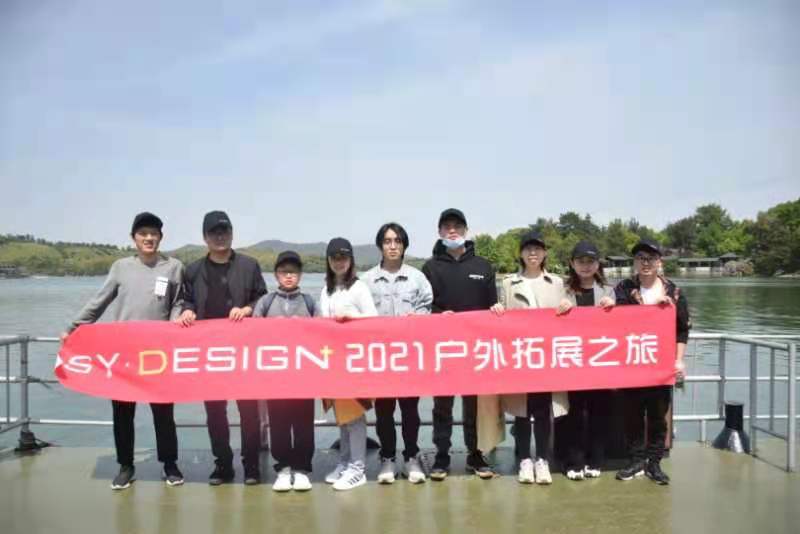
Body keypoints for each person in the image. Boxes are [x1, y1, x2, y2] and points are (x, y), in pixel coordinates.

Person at [61, 212, 185, 490]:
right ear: (133, 238)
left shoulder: (174, 267)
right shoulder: (120, 267)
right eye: (143, 234)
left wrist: (176, 322)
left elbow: (178, 302)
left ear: (161, 237)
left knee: (164, 413)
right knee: (122, 414)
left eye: (154, 234)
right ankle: (126, 466)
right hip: (124, 354)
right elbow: (99, 301)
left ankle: (170, 464)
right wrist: (73, 327)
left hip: (158, 355)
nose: (149, 238)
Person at [175, 211, 267, 485]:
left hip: (244, 352)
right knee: (215, 413)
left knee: (249, 411)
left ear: (232, 233)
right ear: (205, 237)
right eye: (214, 232)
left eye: (224, 231)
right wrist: (187, 311)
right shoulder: (192, 270)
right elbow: (187, 300)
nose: (220, 236)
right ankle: (223, 465)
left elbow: (262, 299)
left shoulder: (250, 266)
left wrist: (247, 309)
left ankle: (251, 465)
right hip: (209, 355)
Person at [421, 208, 498, 481]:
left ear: (466, 230)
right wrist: (439, 315)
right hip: (443, 349)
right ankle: (442, 456)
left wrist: (498, 311)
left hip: (476, 350)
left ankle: (475, 454)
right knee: (442, 406)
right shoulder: (430, 268)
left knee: (473, 406)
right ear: (439, 232)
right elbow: (424, 308)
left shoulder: (483, 266)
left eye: (457, 226)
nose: (452, 230)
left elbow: (492, 307)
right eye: (446, 226)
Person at [489, 231, 569, 485]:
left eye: (537, 249)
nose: (533, 253)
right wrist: (497, 309)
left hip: (547, 356)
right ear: (521, 254)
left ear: (545, 253)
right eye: (527, 249)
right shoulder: (508, 283)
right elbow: (501, 315)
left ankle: (542, 459)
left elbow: (571, 315)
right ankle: (525, 458)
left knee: (543, 409)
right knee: (521, 411)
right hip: (520, 356)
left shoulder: (557, 283)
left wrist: (569, 306)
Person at [614, 239, 690, 485]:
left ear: (659, 262)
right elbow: (617, 319)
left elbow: (682, 330)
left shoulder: (673, 291)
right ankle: (636, 460)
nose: (645, 263)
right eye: (640, 258)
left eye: (650, 258)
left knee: (658, 416)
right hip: (632, 362)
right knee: (632, 415)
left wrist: (679, 361)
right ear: (634, 262)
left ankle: (654, 462)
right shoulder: (623, 288)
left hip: (661, 366)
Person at [364, 222, 432, 484]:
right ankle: (388, 458)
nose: (392, 246)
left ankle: (411, 456)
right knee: (383, 411)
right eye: (387, 241)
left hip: (409, 357)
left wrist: (419, 318)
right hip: (380, 358)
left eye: (397, 241)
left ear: (404, 245)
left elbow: (427, 308)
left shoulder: (417, 278)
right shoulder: (366, 280)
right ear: (380, 245)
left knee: (410, 409)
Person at [252, 250, 317, 492]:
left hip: (304, 377)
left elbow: (324, 332)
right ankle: (283, 468)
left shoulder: (309, 302)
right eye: (284, 272)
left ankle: (302, 468)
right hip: (275, 378)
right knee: (278, 422)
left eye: (293, 272)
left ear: (300, 275)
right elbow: (251, 333)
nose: (289, 276)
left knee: (303, 424)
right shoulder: (266, 302)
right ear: (276, 275)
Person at [319, 238, 378, 491]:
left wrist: (352, 318)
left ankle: (358, 468)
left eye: (343, 257)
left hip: (355, 362)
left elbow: (374, 320)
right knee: (342, 417)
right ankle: (344, 462)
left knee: (354, 417)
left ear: (351, 260)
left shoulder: (359, 288)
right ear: (328, 261)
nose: (339, 262)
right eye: (334, 258)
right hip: (334, 362)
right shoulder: (326, 289)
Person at [556, 241, 615, 480]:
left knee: (600, 412)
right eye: (580, 261)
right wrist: (557, 310)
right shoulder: (562, 290)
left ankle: (596, 459)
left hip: (601, 361)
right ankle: (574, 461)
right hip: (572, 361)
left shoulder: (609, 291)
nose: (586, 266)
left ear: (598, 264)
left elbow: (625, 323)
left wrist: (615, 307)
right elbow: (546, 322)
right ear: (572, 263)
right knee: (574, 412)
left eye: (590, 261)